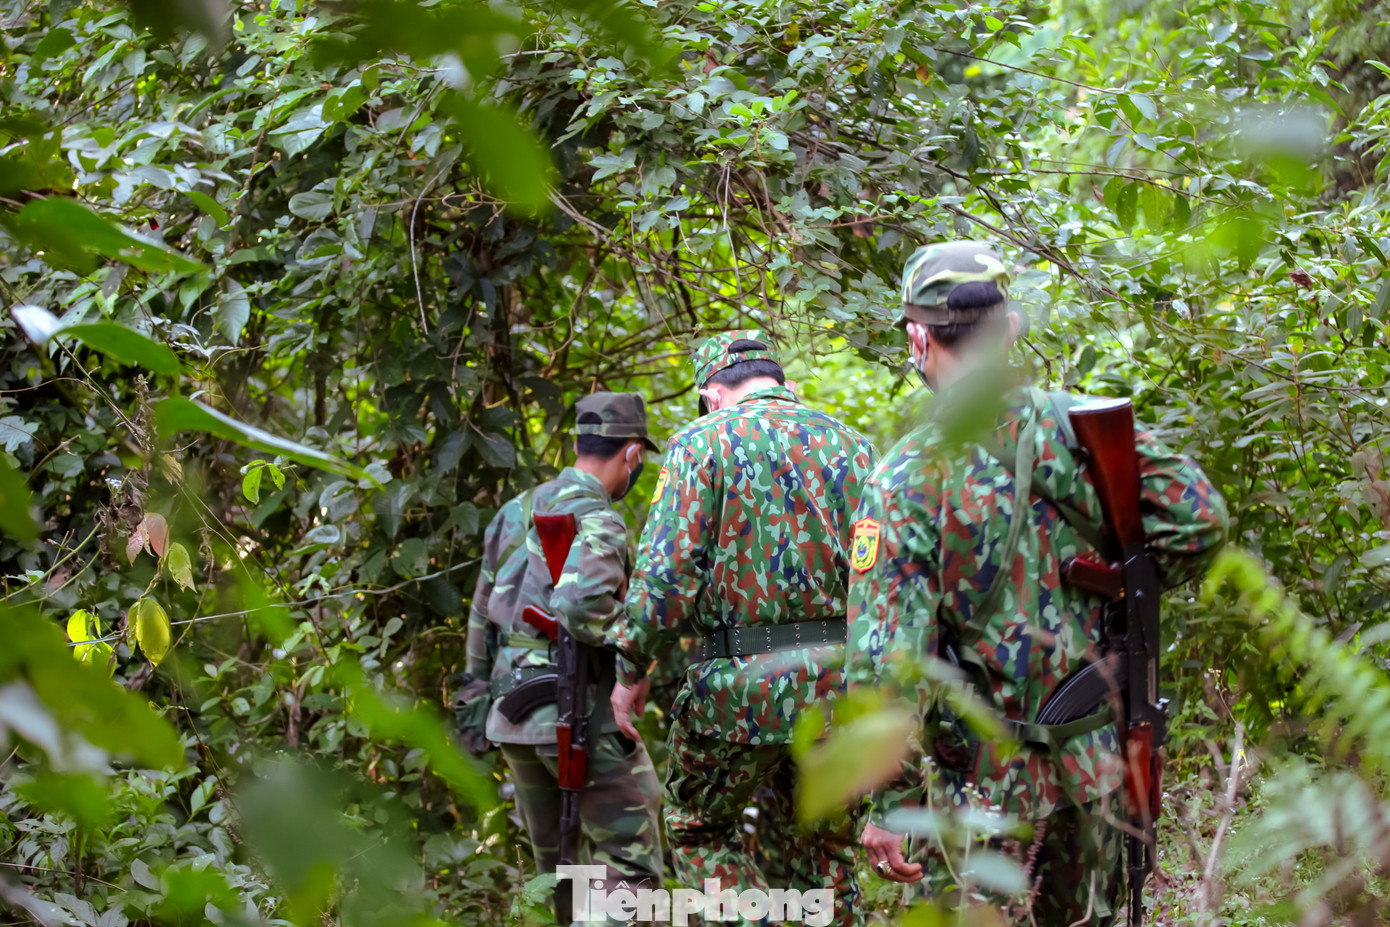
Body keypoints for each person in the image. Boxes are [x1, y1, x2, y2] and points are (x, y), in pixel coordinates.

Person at [845, 241, 1229, 924]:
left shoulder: (905, 476)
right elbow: (1200, 521)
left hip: (979, 794)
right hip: (1094, 776)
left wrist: (887, 801)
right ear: (1012, 328)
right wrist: (1118, 582)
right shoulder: (1079, 429)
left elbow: (887, 663)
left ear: (917, 338)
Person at [609, 330, 878, 926]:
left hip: (737, 692)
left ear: (712, 394)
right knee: (828, 855)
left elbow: (666, 577)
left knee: (700, 827)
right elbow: (884, 581)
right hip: (839, 691)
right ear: (782, 385)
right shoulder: (856, 449)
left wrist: (630, 668)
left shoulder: (700, 444)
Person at [465, 392, 665, 911]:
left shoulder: (514, 511)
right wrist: (634, 656)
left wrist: (476, 700)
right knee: (633, 876)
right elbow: (579, 606)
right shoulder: (601, 518)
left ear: (579, 443)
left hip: (512, 719)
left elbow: (482, 618)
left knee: (557, 879)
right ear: (633, 454)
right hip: (576, 715)